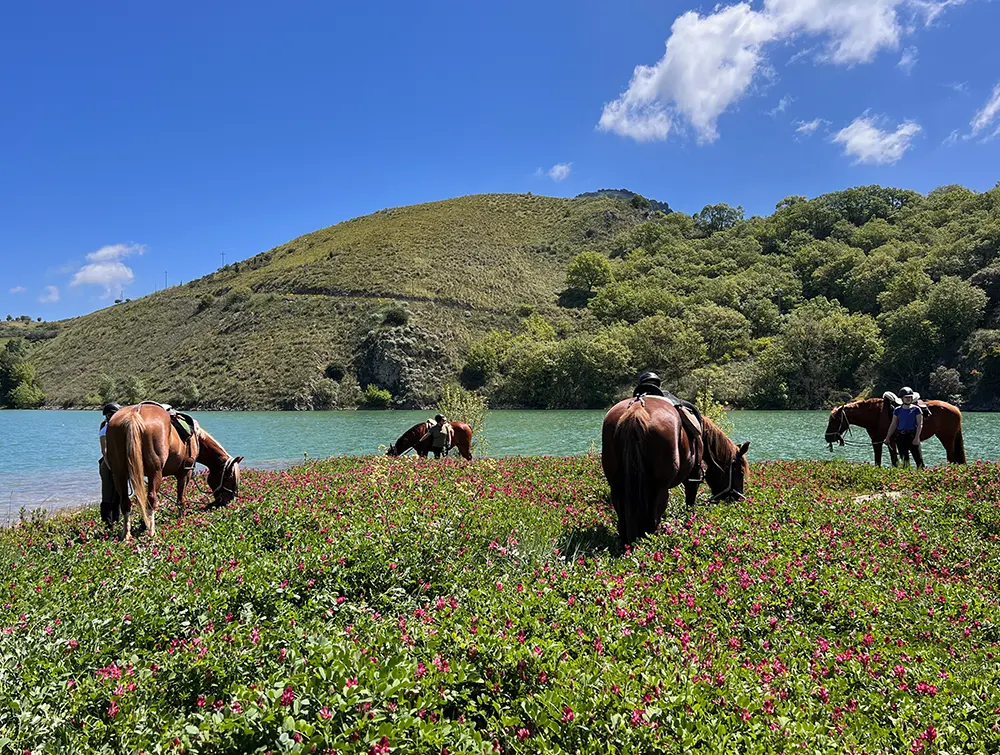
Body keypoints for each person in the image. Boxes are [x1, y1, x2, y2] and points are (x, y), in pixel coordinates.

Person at [884, 387, 924, 469]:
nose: (908, 399)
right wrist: (887, 437)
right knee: (905, 461)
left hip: (912, 436)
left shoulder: (916, 409)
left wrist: (917, 438)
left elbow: (920, 424)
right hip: (901, 437)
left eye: (910, 397)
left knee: (919, 461)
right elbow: (893, 424)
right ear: (902, 398)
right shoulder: (897, 410)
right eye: (906, 397)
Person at [98, 403, 123, 524]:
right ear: (109, 416)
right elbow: (105, 452)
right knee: (108, 494)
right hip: (108, 465)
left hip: (118, 464)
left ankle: (116, 520)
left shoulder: (118, 429)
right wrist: (112, 468)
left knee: (118, 494)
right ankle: (107, 522)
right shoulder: (105, 430)